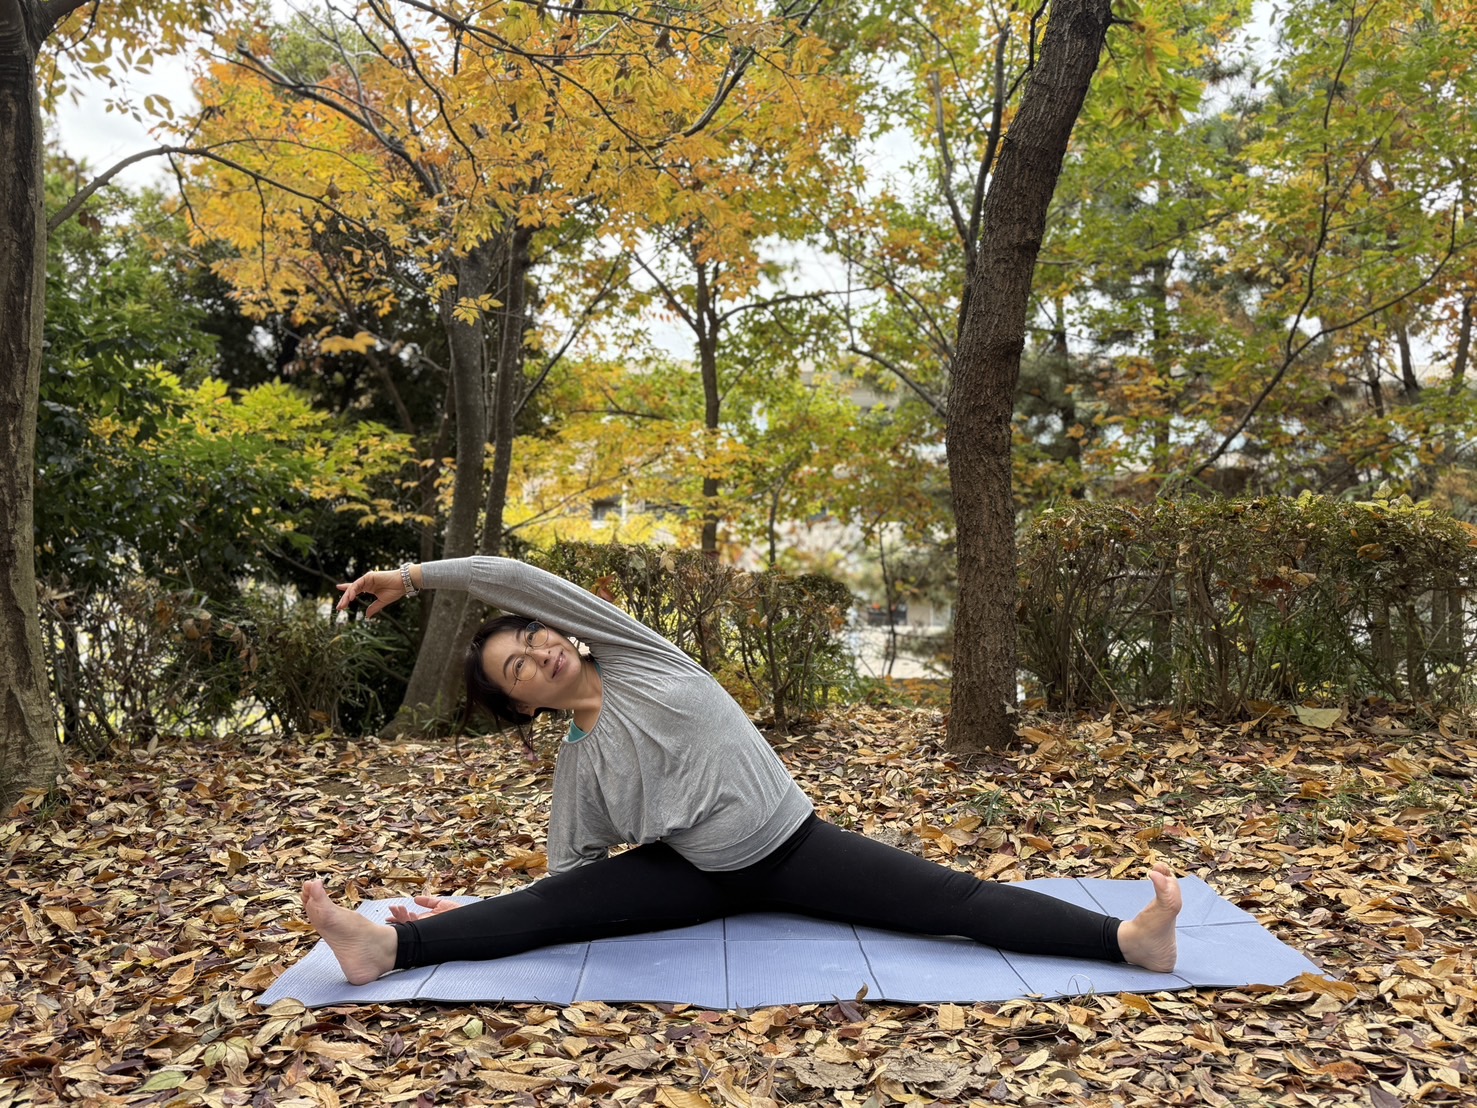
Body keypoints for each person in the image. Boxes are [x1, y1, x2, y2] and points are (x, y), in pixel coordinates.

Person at [302, 557, 1181, 986]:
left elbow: (514, 575)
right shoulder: (581, 766)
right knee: (547, 913)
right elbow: (566, 885)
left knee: (953, 905)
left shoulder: (644, 658)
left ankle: (1124, 940)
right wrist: (494, 913)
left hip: (794, 848)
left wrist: (416, 579)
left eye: (535, 639)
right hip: (696, 876)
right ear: (523, 706)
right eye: (516, 669)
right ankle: (385, 947)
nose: (536, 653)